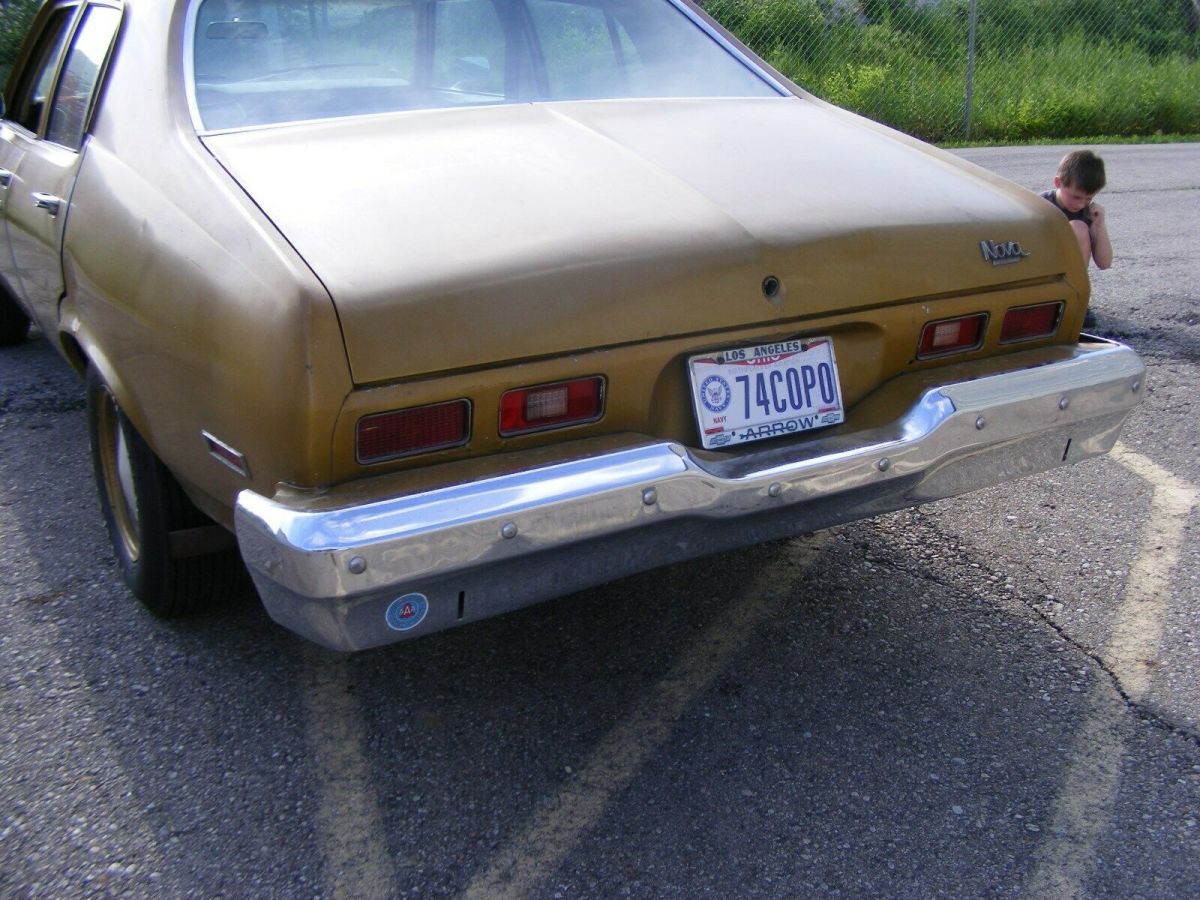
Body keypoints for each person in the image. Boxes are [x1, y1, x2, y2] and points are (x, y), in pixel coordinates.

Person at [1040, 150, 1112, 329]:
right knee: (1077, 227)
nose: (1081, 204)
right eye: (1076, 197)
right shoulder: (1041, 206)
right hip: (1044, 272)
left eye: (1089, 198)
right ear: (1058, 183)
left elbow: (1105, 262)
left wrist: (1098, 225)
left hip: (1071, 277)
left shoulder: (1088, 212)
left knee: (1080, 226)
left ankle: (1076, 298)